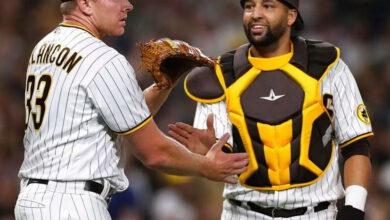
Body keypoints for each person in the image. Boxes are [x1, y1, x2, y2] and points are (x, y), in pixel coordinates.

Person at [14, 0, 250, 219]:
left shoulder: (44, 46)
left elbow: (119, 117)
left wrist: (163, 84)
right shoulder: (102, 59)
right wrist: (206, 166)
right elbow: (154, 152)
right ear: (85, 3)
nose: (128, 5)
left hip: (34, 200)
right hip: (72, 203)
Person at [169, 0, 374, 219]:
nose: (255, 14)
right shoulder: (220, 74)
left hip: (316, 212)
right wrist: (208, 152)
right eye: (249, 6)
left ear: (291, 16)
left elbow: (356, 145)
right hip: (242, 212)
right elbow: (219, 157)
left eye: (267, 6)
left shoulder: (327, 66)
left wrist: (354, 207)